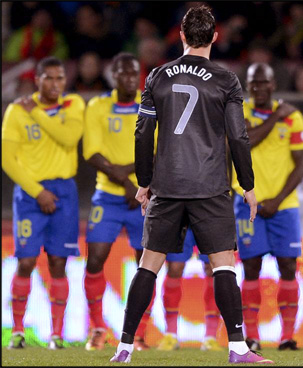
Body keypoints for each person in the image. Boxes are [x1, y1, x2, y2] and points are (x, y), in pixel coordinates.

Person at [109, 6, 273, 364]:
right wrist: (248, 184)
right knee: (224, 266)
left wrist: (144, 182)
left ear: (181, 36)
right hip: (211, 187)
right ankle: (238, 349)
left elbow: (143, 132)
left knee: (148, 265)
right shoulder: (226, 79)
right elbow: (238, 136)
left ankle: (123, 348)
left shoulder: (157, 76)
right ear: (216, 37)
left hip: (167, 187)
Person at [2, 56, 85, 350]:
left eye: (60, 78)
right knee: (25, 261)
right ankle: (17, 331)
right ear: (37, 79)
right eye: (48, 77)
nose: (55, 83)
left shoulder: (73, 104)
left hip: (64, 191)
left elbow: (69, 137)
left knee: (58, 262)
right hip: (29, 193)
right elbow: (8, 160)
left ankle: (57, 334)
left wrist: (35, 112)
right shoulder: (15, 111)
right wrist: (37, 192)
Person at [231, 62, 303, 351]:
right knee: (251, 266)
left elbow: (302, 163)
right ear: (247, 86)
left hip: (284, 205)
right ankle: (251, 336)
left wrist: (277, 200)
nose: (258, 88)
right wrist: (276, 116)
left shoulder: (295, 118)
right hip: (246, 202)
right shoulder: (238, 111)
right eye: (253, 83)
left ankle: (287, 336)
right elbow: (245, 142)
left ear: (273, 84)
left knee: (288, 265)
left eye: (263, 83)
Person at [82, 52, 156, 351]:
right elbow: (92, 153)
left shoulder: (150, 104)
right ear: (113, 75)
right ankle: (98, 328)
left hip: (145, 196)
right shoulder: (98, 106)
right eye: (123, 73)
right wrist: (127, 181)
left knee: (146, 264)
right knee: (95, 258)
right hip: (108, 196)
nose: (128, 78)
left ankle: (139, 334)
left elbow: (158, 150)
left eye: (133, 73)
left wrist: (132, 180)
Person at [157, 229, 223, 352]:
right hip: (181, 218)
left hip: (207, 216)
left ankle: (211, 337)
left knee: (213, 269)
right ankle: (170, 335)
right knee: (175, 268)